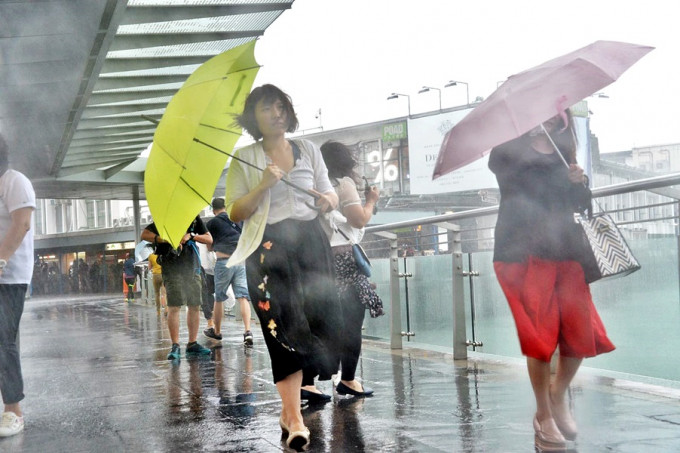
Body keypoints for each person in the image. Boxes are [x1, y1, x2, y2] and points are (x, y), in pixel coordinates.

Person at [488, 110, 615, 450]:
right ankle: (543, 414)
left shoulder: (564, 148)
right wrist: (529, 139)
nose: (548, 117)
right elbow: (517, 190)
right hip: (523, 252)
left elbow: (579, 206)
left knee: (580, 330)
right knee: (540, 335)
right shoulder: (507, 150)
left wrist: (579, 183)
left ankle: (558, 393)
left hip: (567, 249)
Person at [225, 84, 342, 451]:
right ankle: (292, 416)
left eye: (280, 106)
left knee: (320, 321)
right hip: (269, 250)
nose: (275, 113)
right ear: (254, 118)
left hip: (311, 245)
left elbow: (330, 193)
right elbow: (235, 212)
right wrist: (262, 184)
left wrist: (328, 200)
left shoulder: (307, 149)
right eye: (266, 109)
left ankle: (294, 406)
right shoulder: (245, 157)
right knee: (282, 328)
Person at [320, 140, 384, 397]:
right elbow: (358, 218)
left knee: (323, 320)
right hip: (344, 259)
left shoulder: (317, 186)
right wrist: (371, 200)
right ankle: (347, 379)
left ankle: (309, 382)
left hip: (320, 259)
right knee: (351, 322)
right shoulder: (342, 184)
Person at [0, 134, 36, 437]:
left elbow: (21, 223)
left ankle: (13, 411)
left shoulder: (14, 181)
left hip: (9, 277)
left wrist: (0, 261)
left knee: (3, 340)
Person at [141, 215, 213, 360]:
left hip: (192, 267)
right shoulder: (165, 216)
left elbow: (209, 239)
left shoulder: (194, 218)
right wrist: (165, 239)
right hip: (171, 267)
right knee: (174, 306)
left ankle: (192, 344)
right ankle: (175, 345)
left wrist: (190, 236)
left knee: (194, 305)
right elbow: (145, 234)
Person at [204, 197, 253, 345]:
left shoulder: (211, 223)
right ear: (225, 207)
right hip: (240, 261)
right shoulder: (238, 219)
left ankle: (217, 331)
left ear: (213, 210)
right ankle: (247, 331)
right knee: (242, 297)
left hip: (224, 262)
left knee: (219, 298)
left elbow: (209, 245)